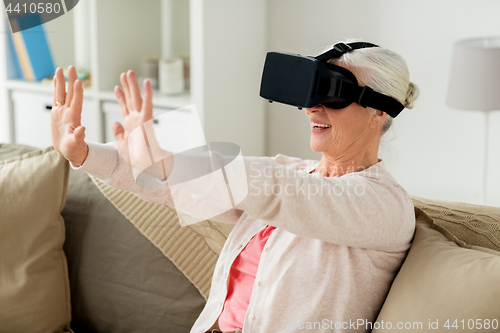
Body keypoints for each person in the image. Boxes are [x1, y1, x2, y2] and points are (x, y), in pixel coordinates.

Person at [50, 40, 419, 333]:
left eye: (333, 94)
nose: (312, 108)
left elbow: (275, 190)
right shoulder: (290, 172)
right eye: (311, 93)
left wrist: (168, 161)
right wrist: (83, 154)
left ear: (379, 110)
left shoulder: (385, 205)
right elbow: (179, 186)